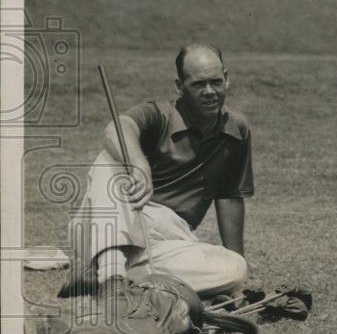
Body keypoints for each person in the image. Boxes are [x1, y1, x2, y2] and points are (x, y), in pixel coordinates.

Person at [62, 44, 253, 299]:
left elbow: (230, 196)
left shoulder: (237, 128)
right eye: (198, 84)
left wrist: (234, 270)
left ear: (226, 79)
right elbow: (116, 128)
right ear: (179, 86)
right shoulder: (158, 114)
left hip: (170, 237)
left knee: (235, 267)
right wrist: (139, 164)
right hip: (120, 218)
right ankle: (110, 277)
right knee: (108, 159)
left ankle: (106, 274)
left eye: (216, 82)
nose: (209, 92)